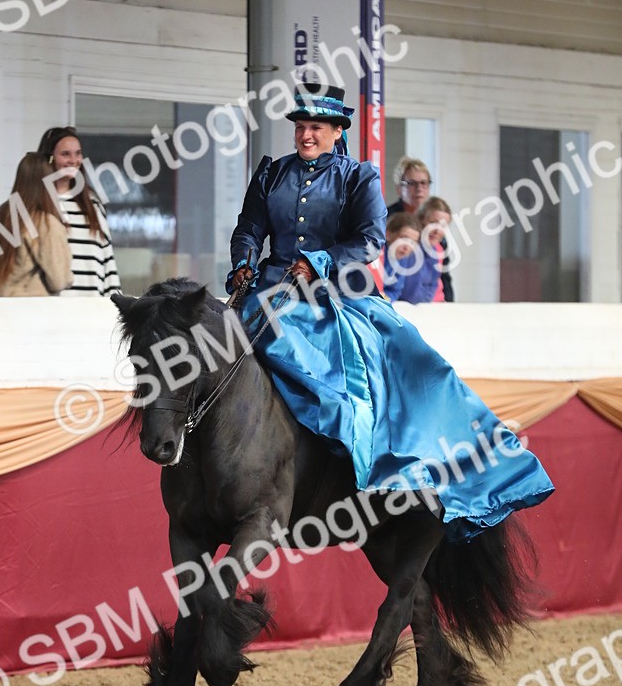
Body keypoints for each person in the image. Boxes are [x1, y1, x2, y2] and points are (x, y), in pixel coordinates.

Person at [228, 84, 552, 542]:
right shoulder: (271, 174)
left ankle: (402, 459)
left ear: (336, 131)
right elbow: (249, 227)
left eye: (315, 127)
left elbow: (369, 241)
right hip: (270, 289)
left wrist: (319, 262)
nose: (305, 135)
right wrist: (243, 262)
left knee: (408, 357)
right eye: (300, 127)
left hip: (338, 293)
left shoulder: (358, 177)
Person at [37, 126, 121, 296]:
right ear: (49, 158)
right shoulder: (37, 205)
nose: (73, 160)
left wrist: (115, 302)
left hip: (92, 304)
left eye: (78, 153)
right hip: (53, 306)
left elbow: (108, 260)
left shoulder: (93, 204)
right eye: (65, 154)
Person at [0, 152, 73, 297]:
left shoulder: (4, 214)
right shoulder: (45, 223)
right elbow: (59, 280)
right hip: (32, 305)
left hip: (2, 303)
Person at [418, 196, 454, 302]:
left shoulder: (439, 249)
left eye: (443, 226)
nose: (437, 230)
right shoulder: (407, 249)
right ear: (420, 220)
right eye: (433, 223)